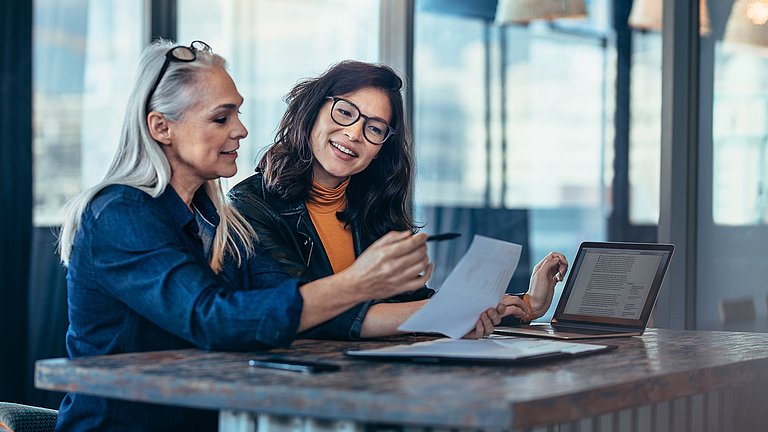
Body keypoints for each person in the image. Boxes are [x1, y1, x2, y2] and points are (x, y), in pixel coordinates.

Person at [54, 40, 450, 432]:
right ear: (162, 127)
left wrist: (448, 313)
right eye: (221, 118)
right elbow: (214, 319)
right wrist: (359, 282)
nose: (241, 130)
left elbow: (284, 304)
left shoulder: (218, 220)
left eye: (238, 114)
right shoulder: (120, 213)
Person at [228, 60, 569, 339]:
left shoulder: (372, 207)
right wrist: (446, 314)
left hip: (373, 377)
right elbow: (302, 312)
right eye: (345, 112)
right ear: (313, 111)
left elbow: (410, 302)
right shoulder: (250, 205)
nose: (354, 134)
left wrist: (527, 304)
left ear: (381, 149)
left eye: (375, 128)